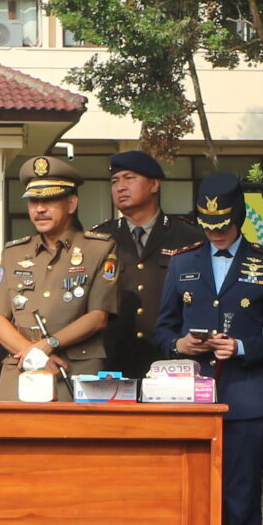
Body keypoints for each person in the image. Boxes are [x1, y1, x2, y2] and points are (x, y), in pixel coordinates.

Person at [156, 174, 263, 525]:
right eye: (208, 225)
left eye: (224, 225)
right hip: (188, 394)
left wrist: (242, 346)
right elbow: (162, 330)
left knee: (243, 496)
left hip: (244, 397)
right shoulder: (182, 261)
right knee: (191, 495)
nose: (216, 233)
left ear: (241, 216)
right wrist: (179, 343)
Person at [0, 155, 118, 402]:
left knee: (74, 440)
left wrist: (50, 343)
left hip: (75, 371)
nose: (39, 209)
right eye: (33, 201)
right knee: (13, 440)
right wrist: (34, 354)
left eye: (49, 200)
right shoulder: (13, 252)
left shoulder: (99, 249)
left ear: (71, 204)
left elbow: (98, 317)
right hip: (20, 371)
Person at [90, 150, 203, 378]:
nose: (120, 187)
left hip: (171, 363)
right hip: (113, 365)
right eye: (115, 181)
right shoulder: (98, 239)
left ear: (154, 184)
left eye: (129, 178)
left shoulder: (188, 236)